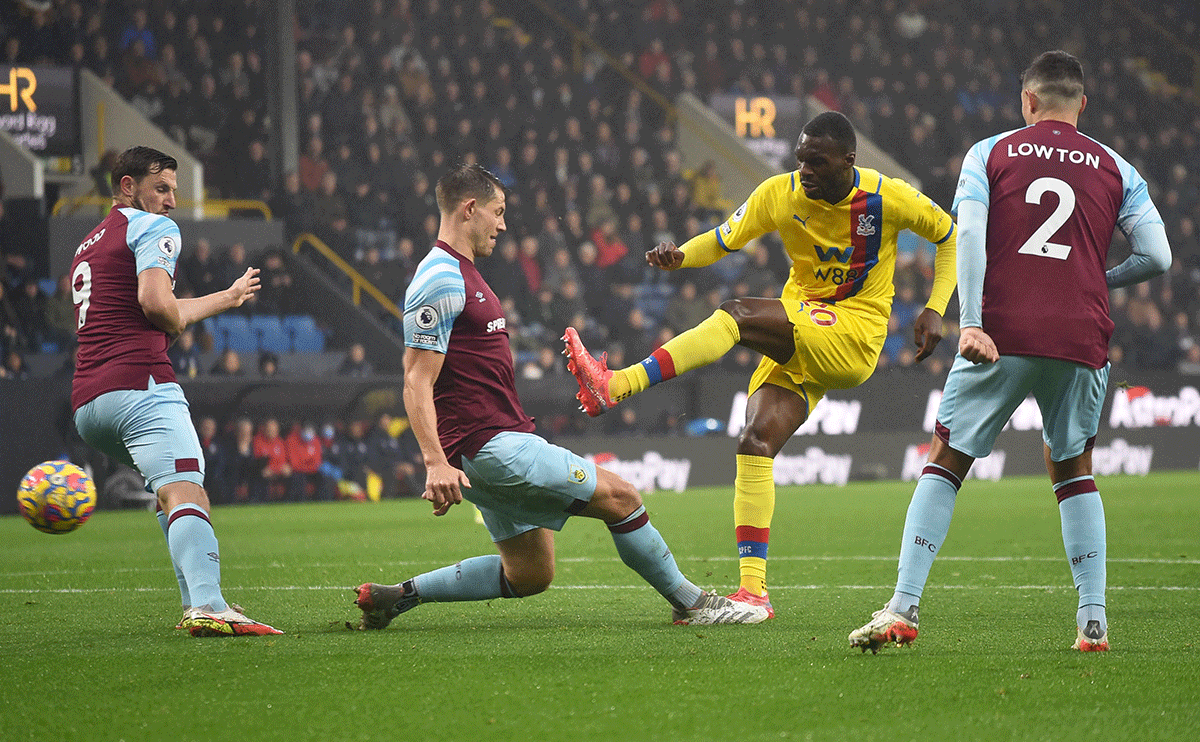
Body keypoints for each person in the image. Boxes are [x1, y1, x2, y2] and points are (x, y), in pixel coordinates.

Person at [563, 111, 958, 617]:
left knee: (737, 315)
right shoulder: (780, 193)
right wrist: (680, 256)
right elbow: (724, 237)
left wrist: (934, 308)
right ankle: (754, 594)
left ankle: (618, 383)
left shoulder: (889, 197)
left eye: (817, 162)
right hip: (802, 328)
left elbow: (949, 235)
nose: (805, 171)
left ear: (848, 161)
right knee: (754, 442)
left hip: (854, 334)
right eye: (800, 160)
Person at [848, 51, 1172, 654]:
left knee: (946, 461)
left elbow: (967, 232)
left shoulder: (990, 153)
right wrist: (1098, 280)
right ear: (1082, 105)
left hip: (1000, 333)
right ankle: (1093, 622)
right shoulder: (1118, 168)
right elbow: (1158, 257)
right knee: (1073, 471)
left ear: (1027, 102)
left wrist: (968, 321)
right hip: (1080, 338)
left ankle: (904, 607)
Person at [354, 163, 768, 628]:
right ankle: (694, 605)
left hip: (482, 448)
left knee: (530, 573)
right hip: (492, 446)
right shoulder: (441, 278)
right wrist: (434, 461)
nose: (503, 225)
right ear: (470, 209)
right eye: (498, 212)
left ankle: (399, 596)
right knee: (623, 498)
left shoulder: (461, 274)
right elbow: (415, 378)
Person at [69, 146, 281, 637]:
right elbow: (155, 304)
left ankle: (196, 605)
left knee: (171, 492)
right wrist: (175, 323)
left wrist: (225, 298)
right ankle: (208, 605)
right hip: (140, 383)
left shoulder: (89, 243)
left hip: (89, 400)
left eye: (173, 191)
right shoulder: (154, 228)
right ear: (128, 186)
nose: (170, 201)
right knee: (188, 486)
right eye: (161, 188)